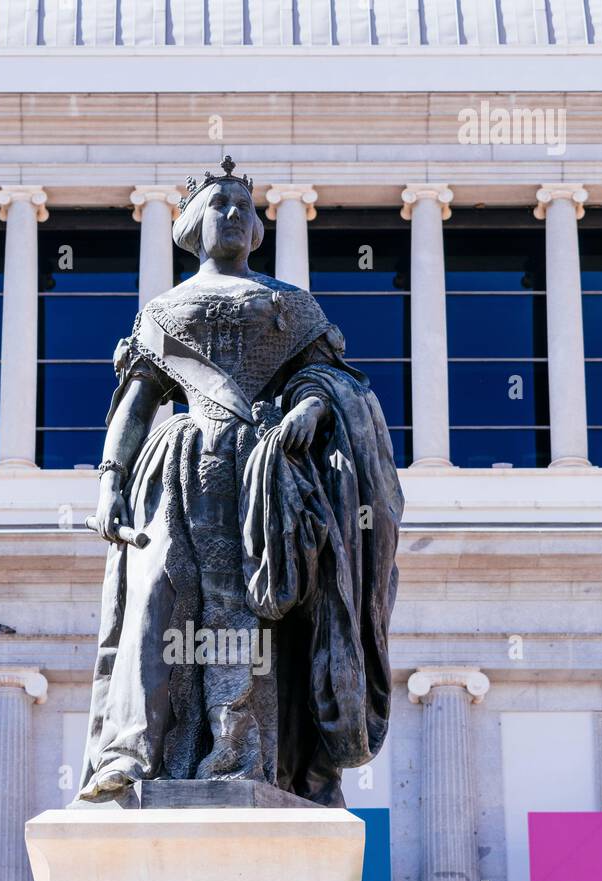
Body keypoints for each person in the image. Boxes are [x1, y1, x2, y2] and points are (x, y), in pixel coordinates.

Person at [79, 157, 403, 807]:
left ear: (258, 227)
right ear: (193, 225)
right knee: (155, 601)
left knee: (250, 619)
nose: (233, 214)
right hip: (175, 469)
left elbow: (340, 385)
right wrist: (111, 479)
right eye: (219, 204)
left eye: (243, 206)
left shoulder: (290, 307)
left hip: (262, 476)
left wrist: (313, 406)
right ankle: (128, 753)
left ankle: (243, 756)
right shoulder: (164, 311)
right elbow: (138, 403)